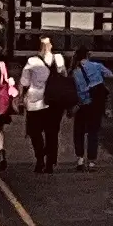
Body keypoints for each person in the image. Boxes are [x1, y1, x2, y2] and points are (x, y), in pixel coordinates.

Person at [21, 38, 65, 173]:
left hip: (35, 102)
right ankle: (50, 162)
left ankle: (40, 159)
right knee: (52, 133)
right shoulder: (59, 59)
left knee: (35, 133)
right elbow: (64, 76)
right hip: (54, 102)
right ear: (50, 46)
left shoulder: (32, 62)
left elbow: (24, 82)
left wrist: (19, 98)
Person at [72, 48, 113, 166]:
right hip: (96, 103)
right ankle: (92, 161)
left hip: (81, 104)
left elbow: (72, 89)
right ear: (88, 55)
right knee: (93, 132)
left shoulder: (74, 71)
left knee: (79, 132)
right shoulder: (96, 66)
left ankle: (80, 158)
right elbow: (110, 74)